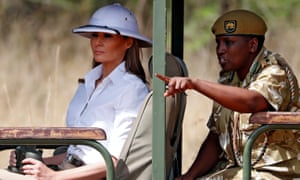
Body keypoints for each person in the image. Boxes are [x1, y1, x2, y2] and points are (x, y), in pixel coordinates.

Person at [0, 3, 151, 180]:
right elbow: (79, 151)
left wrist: (51, 177)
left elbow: (116, 160)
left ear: (128, 42)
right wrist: (38, 163)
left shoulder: (131, 89)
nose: (98, 42)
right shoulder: (87, 83)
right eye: (94, 35)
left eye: (108, 36)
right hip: (68, 169)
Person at [157, 9, 300, 179]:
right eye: (218, 43)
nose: (220, 50)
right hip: (236, 170)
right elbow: (216, 138)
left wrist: (195, 84)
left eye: (229, 42)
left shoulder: (274, 71)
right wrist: (189, 176)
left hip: (274, 172)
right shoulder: (229, 79)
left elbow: (252, 102)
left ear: (252, 45)